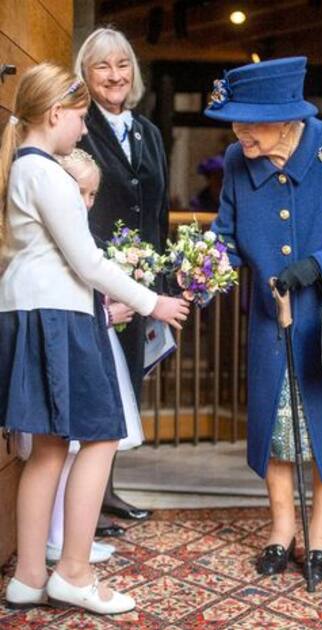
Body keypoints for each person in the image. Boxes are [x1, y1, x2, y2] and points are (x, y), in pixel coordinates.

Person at [0, 62, 189, 614]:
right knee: (101, 436)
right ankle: (75, 573)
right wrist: (153, 301)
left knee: (50, 449)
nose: (84, 129)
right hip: (58, 317)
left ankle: (29, 577)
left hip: (35, 311)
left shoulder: (25, 168)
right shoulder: (47, 174)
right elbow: (85, 260)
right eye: (80, 117)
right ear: (56, 113)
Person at [205, 56, 322, 585]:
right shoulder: (237, 161)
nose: (240, 132)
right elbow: (226, 236)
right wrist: (197, 269)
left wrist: (317, 266)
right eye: (234, 121)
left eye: (250, 121)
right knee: (276, 430)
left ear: (288, 117)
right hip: (273, 321)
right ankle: (280, 528)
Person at [75, 27, 168, 529]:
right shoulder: (78, 127)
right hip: (94, 277)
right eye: (102, 67)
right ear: (85, 77)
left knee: (129, 382)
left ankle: (107, 490)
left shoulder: (149, 133)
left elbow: (155, 208)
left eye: (123, 65)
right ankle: (85, 499)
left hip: (141, 280)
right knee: (98, 386)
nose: (115, 75)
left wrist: (161, 285)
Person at [46, 148, 146, 564]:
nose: (88, 204)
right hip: (71, 345)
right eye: (82, 194)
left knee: (73, 458)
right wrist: (111, 311)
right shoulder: (59, 236)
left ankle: (73, 538)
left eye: (92, 196)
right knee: (61, 456)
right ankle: (58, 540)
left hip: (89, 340)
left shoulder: (80, 231)